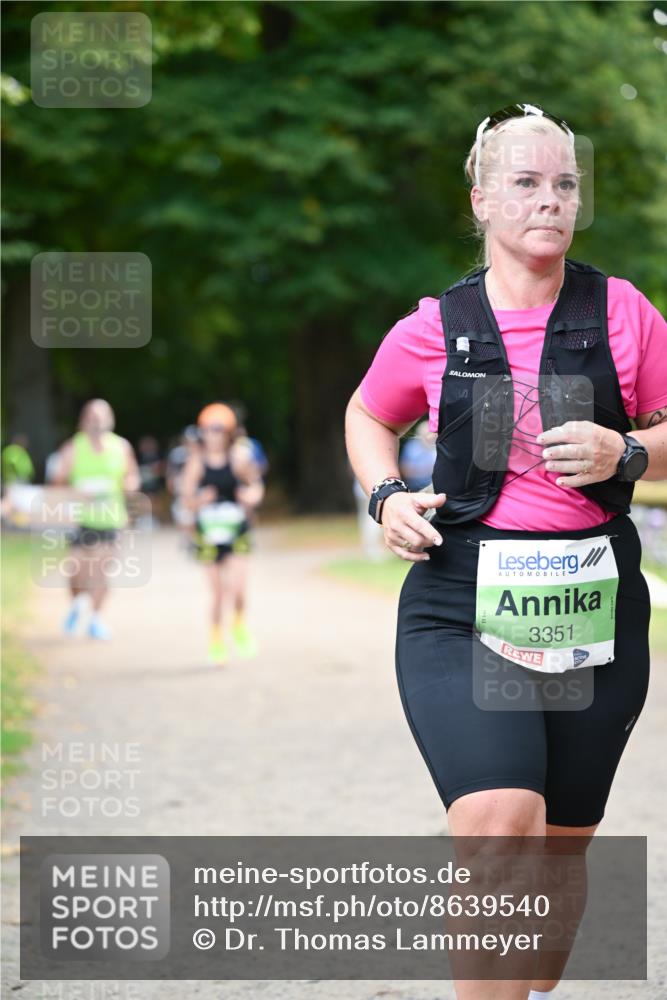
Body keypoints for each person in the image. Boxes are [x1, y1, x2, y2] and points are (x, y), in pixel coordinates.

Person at [345, 104, 667, 1000]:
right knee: (497, 825)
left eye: (564, 184)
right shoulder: (431, 329)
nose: (549, 200)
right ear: (481, 199)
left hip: (592, 606)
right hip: (459, 602)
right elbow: (369, 414)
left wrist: (628, 451)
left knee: (556, 859)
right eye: (525, 182)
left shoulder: (622, 314)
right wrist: (385, 495)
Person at [181, 403, 265, 665]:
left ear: (228, 432)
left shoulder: (238, 457)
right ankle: (216, 640)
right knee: (217, 593)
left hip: (236, 530)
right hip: (208, 534)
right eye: (207, 430)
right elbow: (186, 499)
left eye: (218, 429)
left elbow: (256, 486)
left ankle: (239, 625)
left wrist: (250, 497)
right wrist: (199, 500)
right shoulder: (196, 462)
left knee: (238, 589)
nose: (212, 435)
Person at [53, 399, 140, 640]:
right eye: (92, 417)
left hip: (111, 519)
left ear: (110, 420)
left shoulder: (121, 447)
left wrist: (130, 485)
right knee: (76, 572)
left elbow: (132, 475)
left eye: (102, 416)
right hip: (80, 519)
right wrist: (77, 491)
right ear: (83, 421)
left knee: (101, 573)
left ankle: (95, 619)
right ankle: (77, 604)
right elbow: (58, 480)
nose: (97, 421)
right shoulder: (73, 448)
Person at [399, 418, 436, 492]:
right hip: (413, 488)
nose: (430, 437)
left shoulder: (439, 447)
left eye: (432, 433)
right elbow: (404, 470)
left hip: (434, 489)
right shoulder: (412, 446)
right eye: (427, 434)